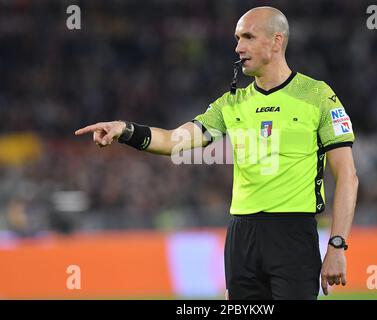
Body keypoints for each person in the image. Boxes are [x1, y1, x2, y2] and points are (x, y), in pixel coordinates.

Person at [75, 6, 358, 300]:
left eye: (248, 37)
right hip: (241, 235)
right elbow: (174, 141)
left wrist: (337, 245)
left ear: (276, 41)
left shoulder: (317, 96)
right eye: (237, 38)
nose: (238, 47)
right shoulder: (230, 103)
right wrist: (124, 129)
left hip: (293, 233)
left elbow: (347, 175)